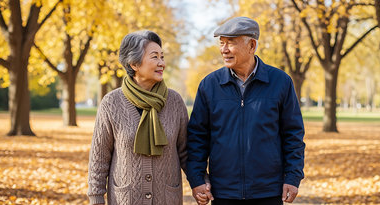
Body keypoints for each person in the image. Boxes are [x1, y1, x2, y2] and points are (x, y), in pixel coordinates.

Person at [186, 17, 305, 205]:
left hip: (268, 193)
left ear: (252, 45)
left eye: (231, 43)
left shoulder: (281, 82)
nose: (224, 50)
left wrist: (292, 177)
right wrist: (197, 179)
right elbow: (197, 137)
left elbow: (293, 135)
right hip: (223, 193)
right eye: (222, 43)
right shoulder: (209, 85)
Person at [87, 30, 188, 205]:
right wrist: (96, 198)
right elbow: (99, 158)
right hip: (125, 199)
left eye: (162, 57)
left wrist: (201, 183)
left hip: (167, 199)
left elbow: (187, 153)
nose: (161, 63)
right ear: (134, 64)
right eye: (154, 57)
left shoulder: (175, 102)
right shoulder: (111, 103)